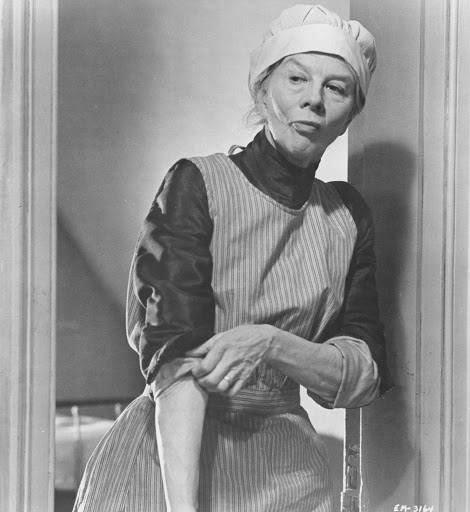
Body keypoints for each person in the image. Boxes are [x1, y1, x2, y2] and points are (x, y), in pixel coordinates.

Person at [73, 4, 393, 512]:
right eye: (296, 78)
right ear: (262, 91)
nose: (313, 99)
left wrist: (270, 344)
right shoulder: (197, 183)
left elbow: (360, 375)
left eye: (336, 88)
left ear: (351, 113)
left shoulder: (347, 217)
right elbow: (175, 360)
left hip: (286, 474)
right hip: (171, 464)